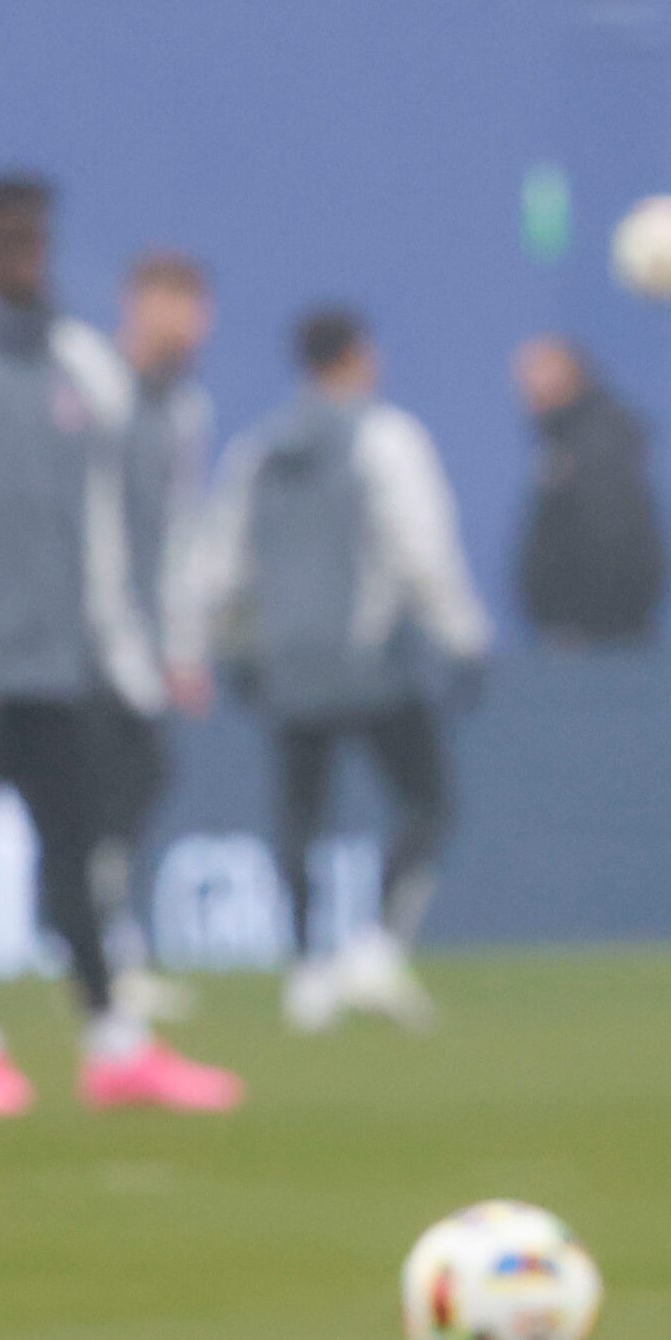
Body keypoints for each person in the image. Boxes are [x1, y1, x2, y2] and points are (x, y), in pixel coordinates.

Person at [0, 174, 243, 1119]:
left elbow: (103, 531)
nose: (25, 253)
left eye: (36, 237)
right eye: (8, 237)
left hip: (62, 663)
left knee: (77, 857)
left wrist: (121, 652)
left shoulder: (83, 363)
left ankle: (115, 1044)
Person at [207, 307, 493, 1033]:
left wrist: (232, 645)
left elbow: (223, 559)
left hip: (288, 662)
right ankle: (375, 948)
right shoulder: (385, 439)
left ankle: (305, 971)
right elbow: (420, 548)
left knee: (299, 817)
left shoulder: (258, 448)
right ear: (359, 356)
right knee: (428, 801)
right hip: (369, 660)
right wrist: (462, 636)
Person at [91, 251, 216, 1026]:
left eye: (194, 305)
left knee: (132, 788)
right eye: (168, 303)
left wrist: (180, 645)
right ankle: (105, 954)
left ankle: (111, 950)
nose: (185, 322)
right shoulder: (97, 392)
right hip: (85, 634)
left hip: (140, 635)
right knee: (113, 789)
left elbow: (176, 534)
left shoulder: (184, 410)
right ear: (134, 306)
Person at [511, 335, 671, 648]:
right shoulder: (563, 440)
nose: (524, 387)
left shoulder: (598, 444)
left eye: (537, 373)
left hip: (599, 641)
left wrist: (588, 624)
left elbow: (610, 538)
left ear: (569, 376)